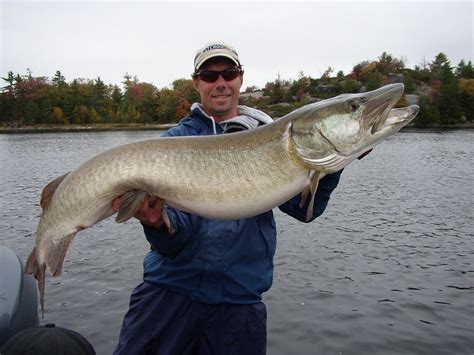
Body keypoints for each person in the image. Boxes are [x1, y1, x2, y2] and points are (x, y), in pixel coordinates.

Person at [112, 42, 342, 355]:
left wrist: (331, 164)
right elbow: (173, 241)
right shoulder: (174, 143)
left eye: (228, 73)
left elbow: (305, 211)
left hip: (239, 305)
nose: (220, 82)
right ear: (197, 83)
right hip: (169, 295)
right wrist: (157, 225)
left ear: (240, 79)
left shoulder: (273, 137)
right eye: (209, 75)